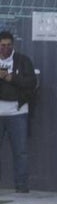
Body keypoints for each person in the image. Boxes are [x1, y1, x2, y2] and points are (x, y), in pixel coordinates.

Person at [0, 30, 36, 193]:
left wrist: (11, 78)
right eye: (2, 45)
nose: (5, 48)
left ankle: (21, 187)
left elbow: (31, 82)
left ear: (13, 45)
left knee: (20, 152)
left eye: (8, 45)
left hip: (17, 112)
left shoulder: (23, 61)